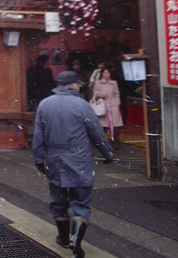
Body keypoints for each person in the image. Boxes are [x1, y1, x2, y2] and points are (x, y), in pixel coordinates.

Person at [33, 70, 113, 258]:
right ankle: (75, 242)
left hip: (55, 163)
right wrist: (107, 153)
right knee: (81, 204)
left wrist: (38, 160)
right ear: (73, 85)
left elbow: (39, 137)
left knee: (59, 202)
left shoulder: (45, 104)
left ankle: (62, 237)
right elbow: (96, 134)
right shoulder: (82, 105)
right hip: (80, 162)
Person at [92, 67, 124, 149]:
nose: (106, 74)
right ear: (102, 74)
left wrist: (117, 103)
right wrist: (102, 94)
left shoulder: (114, 83)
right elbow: (94, 93)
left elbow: (117, 94)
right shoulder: (98, 83)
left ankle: (116, 141)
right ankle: (102, 142)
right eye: (105, 73)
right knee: (103, 126)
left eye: (108, 73)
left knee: (116, 125)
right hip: (102, 105)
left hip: (113, 105)